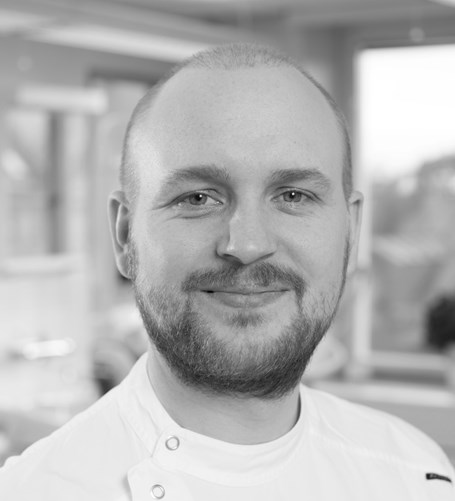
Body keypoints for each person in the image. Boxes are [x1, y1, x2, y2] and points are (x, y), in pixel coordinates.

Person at [0, 42, 454, 501]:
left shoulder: (418, 476)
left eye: (293, 196)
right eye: (197, 198)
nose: (247, 246)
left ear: (351, 232)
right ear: (124, 235)